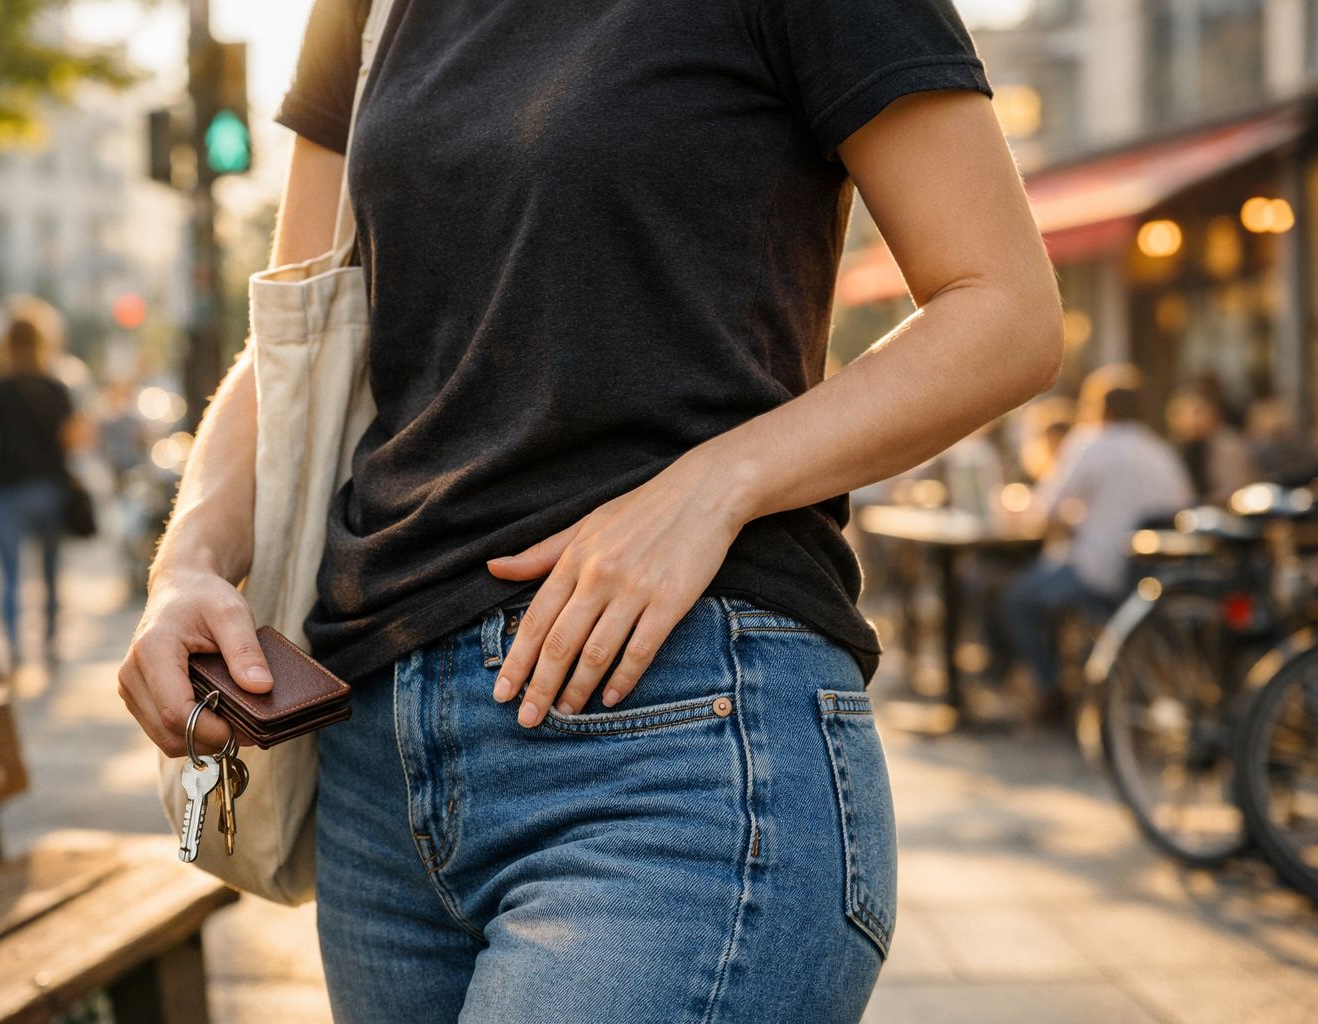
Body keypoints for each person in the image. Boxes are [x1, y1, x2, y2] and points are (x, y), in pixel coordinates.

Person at [118, 0, 1064, 1018]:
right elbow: (293, 333)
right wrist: (190, 564)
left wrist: (713, 483)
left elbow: (1002, 307)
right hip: (378, 772)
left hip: (672, 739)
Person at [1004, 377, 1194, 722]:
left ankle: (1050, 690)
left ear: (1099, 409)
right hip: (1151, 577)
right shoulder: (1161, 451)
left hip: (1099, 572)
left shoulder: (1090, 443)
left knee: (1019, 598)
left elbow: (1043, 511)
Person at [0, 299, 79, 665]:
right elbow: (73, 439)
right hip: (50, 487)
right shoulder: (56, 386)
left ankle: (14, 646)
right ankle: (50, 641)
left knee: (8, 572)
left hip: (5, 487)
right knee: (50, 570)